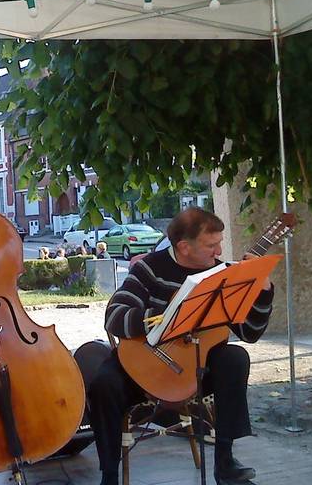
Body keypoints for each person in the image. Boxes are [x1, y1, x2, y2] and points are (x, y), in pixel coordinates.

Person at [88, 207, 274, 485]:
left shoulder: (222, 276)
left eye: (219, 243)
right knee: (103, 383)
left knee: (235, 358)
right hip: (144, 363)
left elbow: (250, 332)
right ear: (184, 246)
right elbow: (115, 317)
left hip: (195, 370)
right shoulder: (149, 268)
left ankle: (225, 462)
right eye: (211, 245)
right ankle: (109, 475)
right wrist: (163, 321)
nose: (218, 251)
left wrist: (263, 292)